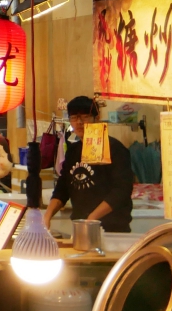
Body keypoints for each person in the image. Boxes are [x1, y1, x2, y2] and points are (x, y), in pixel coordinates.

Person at [44, 96, 135, 233]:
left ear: (96, 118)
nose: (79, 122)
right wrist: (47, 216)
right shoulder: (73, 151)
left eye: (85, 117)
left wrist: (92, 218)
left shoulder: (115, 149)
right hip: (81, 229)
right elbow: (63, 188)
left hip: (112, 230)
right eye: (74, 118)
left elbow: (121, 191)